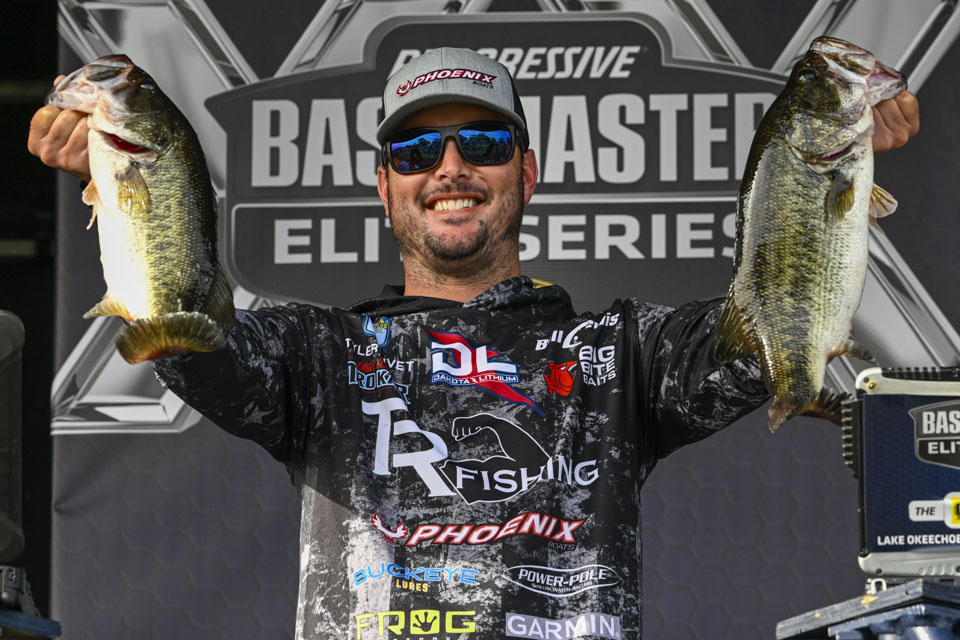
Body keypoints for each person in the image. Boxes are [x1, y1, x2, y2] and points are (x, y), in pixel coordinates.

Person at [29, 47, 919, 639]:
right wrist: (127, 174)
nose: (450, 168)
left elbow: (767, 334)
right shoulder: (315, 354)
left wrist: (831, 158)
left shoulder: (623, 352)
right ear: (384, 187)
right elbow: (188, 336)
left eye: (483, 142)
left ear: (525, 173)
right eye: (417, 152)